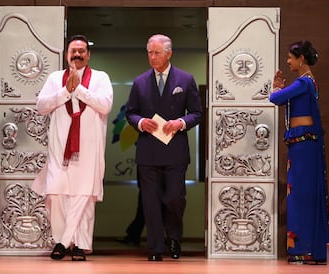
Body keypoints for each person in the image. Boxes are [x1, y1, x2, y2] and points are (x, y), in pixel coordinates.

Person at [31, 35, 113, 261]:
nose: (77, 54)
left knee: (83, 196)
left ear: (88, 54)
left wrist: (79, 90)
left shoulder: (100, 77)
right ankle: (64, 240)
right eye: (73, 51)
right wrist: (66, 91)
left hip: (89, 149)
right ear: (67, 54)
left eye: (81, 51)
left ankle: (76, 245)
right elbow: (41, 106)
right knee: (57, 194)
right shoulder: (55, 78)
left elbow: (105, 105)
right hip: (60, 148)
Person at [125, 34, 203, 261]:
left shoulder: (185, 79)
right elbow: (130, 112)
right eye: (149, 52)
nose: (152, 56)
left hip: (175, 150)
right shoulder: (139, 82)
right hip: (148, 151)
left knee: (174, 198)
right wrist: (141, 122)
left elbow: (197, 113)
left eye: (157, 52)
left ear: (169, 53)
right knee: (150, 202)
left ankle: (175, 238)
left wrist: (181, 123)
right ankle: (156, 248)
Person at [270, 40, 329, 264]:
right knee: (299, 195)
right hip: (301, 145)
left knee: (301, 196)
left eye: (290, 57)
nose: (287, 61)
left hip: (304, 147)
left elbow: (275, 98)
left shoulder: (304, 82)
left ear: (301, 59)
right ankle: (304, 249)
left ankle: (305, 250)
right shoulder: (305, 83)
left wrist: (276, 87)